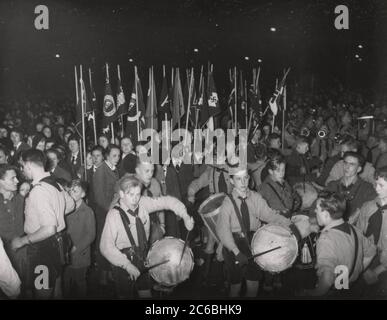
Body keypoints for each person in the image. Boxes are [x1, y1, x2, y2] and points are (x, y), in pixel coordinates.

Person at [216, 165, 316, 297]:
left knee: (253, 283)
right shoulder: (227, 203)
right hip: (233, 244)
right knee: (236, 285)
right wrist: (236, 252)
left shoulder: (255, 197)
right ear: (232, 181)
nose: (243, 182)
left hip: (252, 242)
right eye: (238, 179)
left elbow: (269, 215)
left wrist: (289, 224)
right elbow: (223, 231)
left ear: (249, 178)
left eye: (245, 178)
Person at [100, 175, 194, 298]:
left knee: (145, 293)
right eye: (131, 195)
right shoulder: (114, 215)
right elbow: (106, 247)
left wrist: (185, 215)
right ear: (122, 194)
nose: (135, 199)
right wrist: (127, 265)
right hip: (122, 260)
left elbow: (167, 201)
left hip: (142, 255)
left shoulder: (142, 203)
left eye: (138, 194)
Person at [11, 149, 76, 299]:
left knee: (42, 292)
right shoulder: (55, 183)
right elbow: (71, 204)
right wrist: (56, 212)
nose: (22, 171)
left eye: (22, 167)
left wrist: (21, 241)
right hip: (57, 245)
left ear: (28, 165)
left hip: (42, 250)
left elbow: (48, 229)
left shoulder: (38, 191)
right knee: (56, 290)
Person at [301, 192, 376, 297]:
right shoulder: (354, 229)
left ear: (326, 214)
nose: (314, 210)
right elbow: (371, 252)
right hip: (351, 288)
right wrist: (357, 270)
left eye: (317, 209)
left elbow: (327, 280)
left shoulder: (326, 239)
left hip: (334, 292)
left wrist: (313, 293)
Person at [91, 144, 120, 285]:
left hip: (113, 212)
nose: (117, 158)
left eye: (119, 156)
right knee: (103, 243)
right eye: (114, 155)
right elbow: (99, 197)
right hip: (104, 214)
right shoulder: (101, 171)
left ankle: (109, 273)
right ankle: (102, 277)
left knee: (111, 242)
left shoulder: (114, 170)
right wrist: (110, 210)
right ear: (107, 156)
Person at [356, 166, 387, 297]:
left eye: (381, 185)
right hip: (367, 254)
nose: (376, 188)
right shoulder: (368, 206)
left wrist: (378, 270)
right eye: (376, 183)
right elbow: (358, 235)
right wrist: (363, 267)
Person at [63, 180, 96, 298]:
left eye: (75, 191)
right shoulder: (65, 208)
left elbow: (90, 235)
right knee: (65, 282)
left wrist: (76, 247)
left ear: (83, 194)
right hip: (66, 253)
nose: (71, 192)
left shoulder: (87, 211)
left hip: (80, 254)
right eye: (70, 190)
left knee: (80, 282)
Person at [326, 152, 376, 224]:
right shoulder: (332, 185)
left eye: (352, 164)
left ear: (359, 169)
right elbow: (321, 204)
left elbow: (375, 205)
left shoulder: (367, 188)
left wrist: (359, 211)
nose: (347, 167)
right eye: (345, 163)